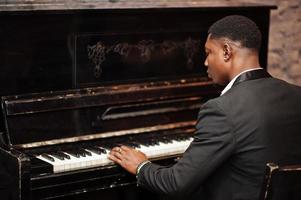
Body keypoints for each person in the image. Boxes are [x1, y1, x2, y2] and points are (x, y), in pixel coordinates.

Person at [108, 15, 301, 200]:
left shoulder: (223, 109)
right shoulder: (296, 94)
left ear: (227, 51)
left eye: (209, 52)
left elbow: (175, 184)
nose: (205, 62)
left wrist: (141, 165)